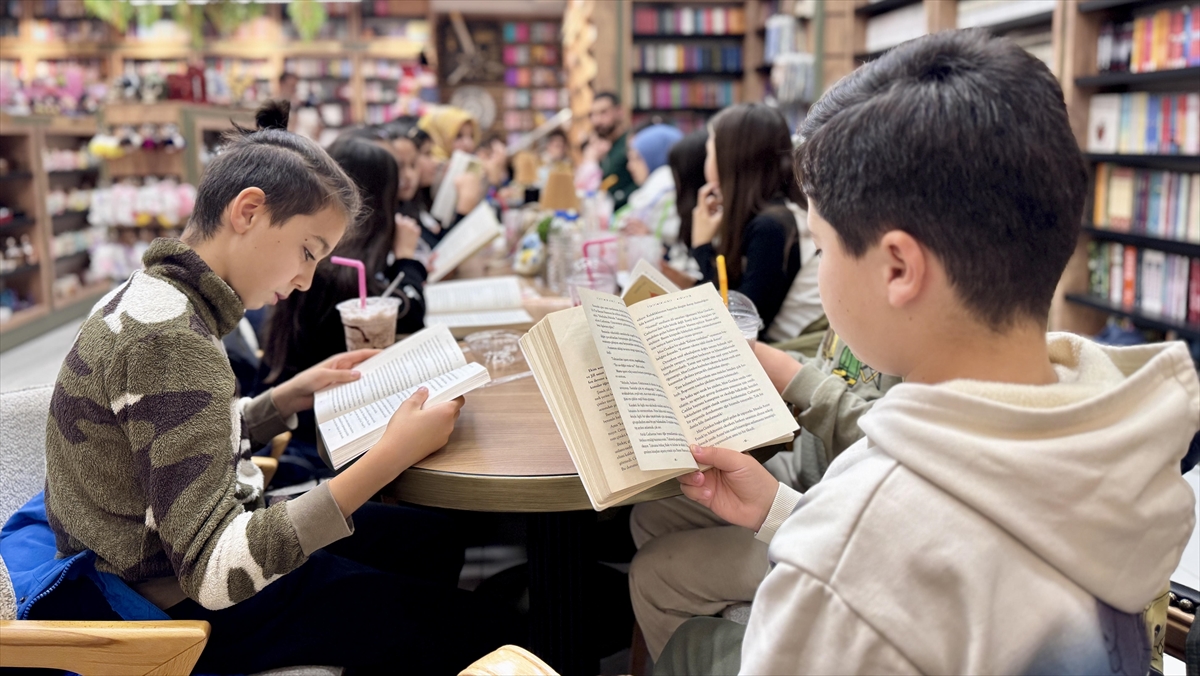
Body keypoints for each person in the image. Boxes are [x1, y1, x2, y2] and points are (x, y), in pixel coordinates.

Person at [655, 30, 1199, 675]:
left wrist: (818, 534)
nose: (822, 268)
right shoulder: (1120, 438)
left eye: (825, 248)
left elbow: (889, 560)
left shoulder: (847, 550)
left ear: (898, 268)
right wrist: (782, 512)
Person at [11, 101, 506, 673]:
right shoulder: (169, 339)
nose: (304, 280)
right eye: (307, 251)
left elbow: (171, 440)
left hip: (172, 552)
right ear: (248, 211)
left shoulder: (156, 297)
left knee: (429, 541)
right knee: (483, 633)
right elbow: (214, 571)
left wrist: (283, 399)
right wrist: (388, 458)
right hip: (181, 608)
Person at [628, 328, 901, 662]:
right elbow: (832, 369)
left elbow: (886, 441)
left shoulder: (921, 336)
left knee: (651, 573)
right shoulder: (862, 311)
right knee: (654, 514)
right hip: (813, 484)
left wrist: (793, 377)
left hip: (842, 528)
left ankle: (708, 647)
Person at [261, 136, 427, 449]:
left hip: (312, 421)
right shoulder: (337, 273)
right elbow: (411, 318)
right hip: (321, 437)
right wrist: (407, 262)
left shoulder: (328, 265)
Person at [691, 104, 823, 342]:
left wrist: (702, 247)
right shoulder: (774, 214)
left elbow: (738, 327)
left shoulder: (772, 226)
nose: (706, 163)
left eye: (709, 152)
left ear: (730, 159)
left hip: (782, 355)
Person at [615, 124, 683, 244]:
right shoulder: (649, 193)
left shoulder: (669, 195)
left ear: (657, 158)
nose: (630, 166)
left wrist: (650, 238)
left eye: (638, 158)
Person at [589, 92, 636, 209]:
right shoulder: (598, 148)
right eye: (593, 114)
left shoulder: (631, 143)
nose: (597, 120)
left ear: (619, 112)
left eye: (603, 113)